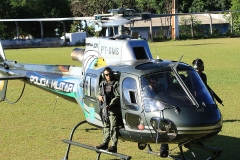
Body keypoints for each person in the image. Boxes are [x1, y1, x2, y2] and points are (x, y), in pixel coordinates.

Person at [96, 67, 121, 153]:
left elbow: (118, 96)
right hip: (105, 109)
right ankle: (105, 143)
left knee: (114, 127)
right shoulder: (102, 84)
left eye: (110, 74)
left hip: (113, 109)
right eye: (106, 75)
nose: (108, 76)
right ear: (104, 75)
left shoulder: (115, 84)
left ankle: (113, 145)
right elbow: (98, 93)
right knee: (106, 126)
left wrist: (110, 105)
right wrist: (99, 97)